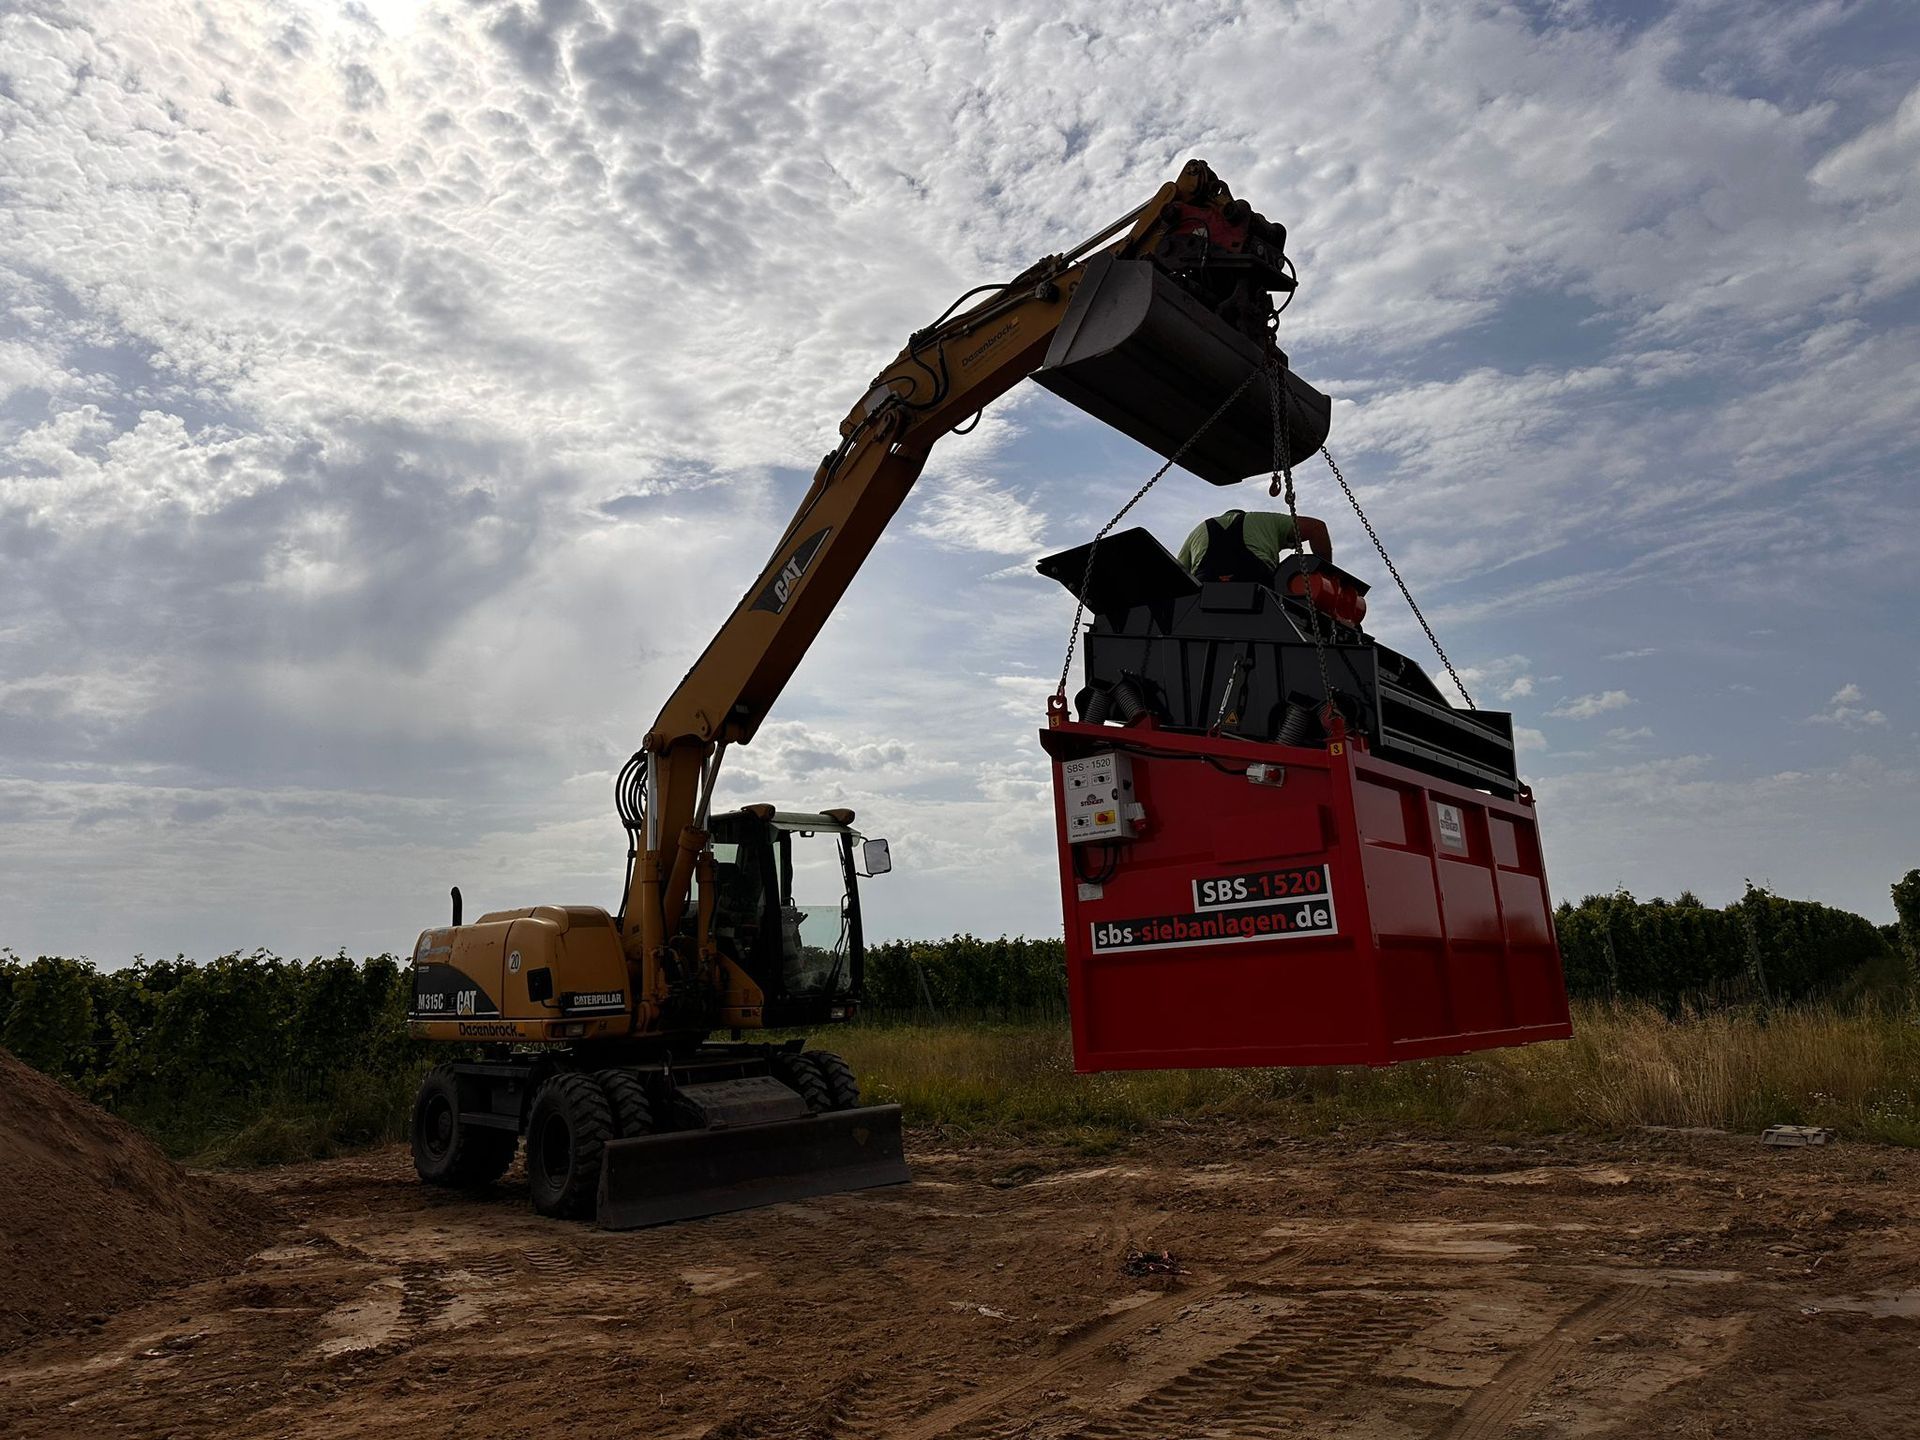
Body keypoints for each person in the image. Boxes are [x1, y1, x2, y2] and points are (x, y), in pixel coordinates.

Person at [1176, 509, 1332, 584]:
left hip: (1205, 590)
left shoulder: (1197, 530)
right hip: (1256, 584)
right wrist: (1326, 576)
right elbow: (1316, 528)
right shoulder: (1264, 520)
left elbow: (1179, 573)